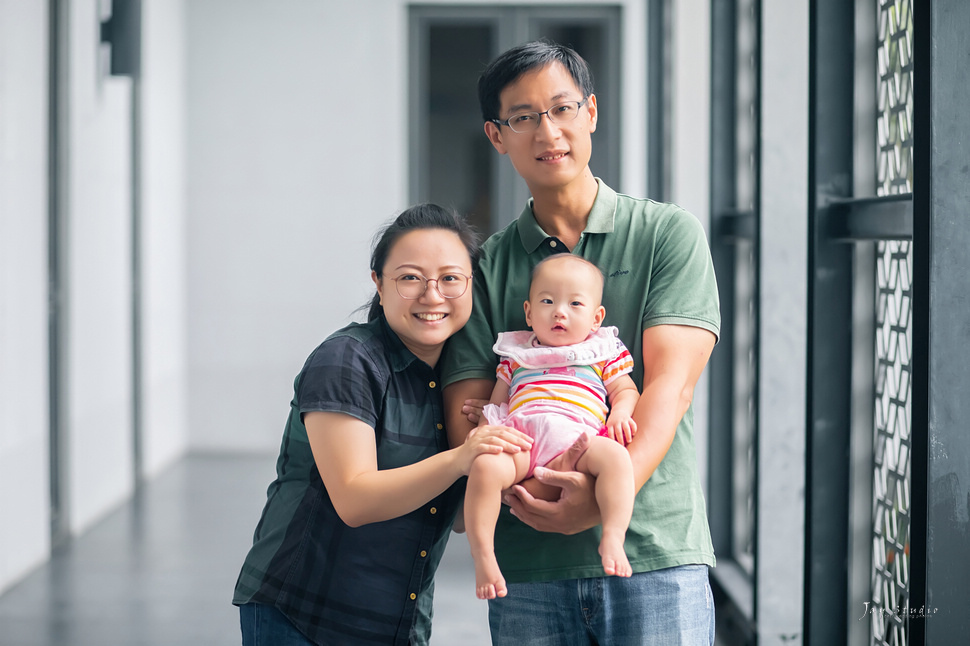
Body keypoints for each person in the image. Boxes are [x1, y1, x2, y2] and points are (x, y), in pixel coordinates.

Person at [441, 41, 721, 644]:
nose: (549, 132)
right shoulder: (486, 267)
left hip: (653, 553)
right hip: (527, 569)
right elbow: (470, 409)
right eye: (523, 117)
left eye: (562, 108)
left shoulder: (666, 233)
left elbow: (669, 388)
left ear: (590, 112)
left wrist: (595, 505)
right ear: (497, 136)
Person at [232, 204, 534, 646]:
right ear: (378, 282)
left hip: (397, 622)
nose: (433, 296)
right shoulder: (347, 360)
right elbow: (355, 499)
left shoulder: (458, 381)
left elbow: (455, 520)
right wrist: (462, 458)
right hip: (302, 615)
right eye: (410, 278)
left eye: (451, 278)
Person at [465, 254, 640, 601]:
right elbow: (498, 403)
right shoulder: (516, 355)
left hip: (580, 437)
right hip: (522, 438)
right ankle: (484, 556)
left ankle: (613, 536)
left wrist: (620, 413)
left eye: (575, 304)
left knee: (618, 460)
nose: (560, 312)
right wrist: (484, 427)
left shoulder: (601, 351)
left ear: (596, 317)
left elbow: (626, 390)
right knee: (484, 469)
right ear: (529, 312)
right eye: (547, 301)